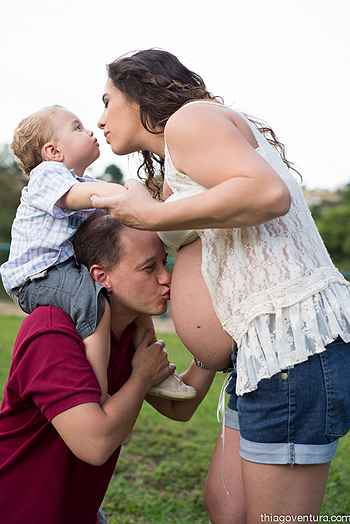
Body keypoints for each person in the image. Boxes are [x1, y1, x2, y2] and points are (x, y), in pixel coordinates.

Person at [92, 48, 350, 521]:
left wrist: (151, 213)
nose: (100, 119)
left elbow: (265, 193)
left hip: (291, 345)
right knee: (225, 507)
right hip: (256, 357)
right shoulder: (180, 159)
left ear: (138, 93)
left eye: (107, 101)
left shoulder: (191, 121)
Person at [0, 211, 215, 524]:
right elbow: (95, 444)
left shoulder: (133, 329)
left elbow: (178, 406)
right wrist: (141, 377)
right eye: (148, 268)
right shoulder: (51, 331)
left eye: (163, 261)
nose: (165, 277)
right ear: (101, 276)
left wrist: (213, 350)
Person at [0, 105, 195, 402]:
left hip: (63, 268)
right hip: (37, 276)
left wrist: (151, 198)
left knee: (138, 309)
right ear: (53, 150)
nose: (90, 130)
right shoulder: (47, 175)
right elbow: (81, 198)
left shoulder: (85, 182)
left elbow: (114, 203)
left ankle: (160, 374)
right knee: (98, 308)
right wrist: (126, 192)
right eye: (77, 127)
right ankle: (98, 391)